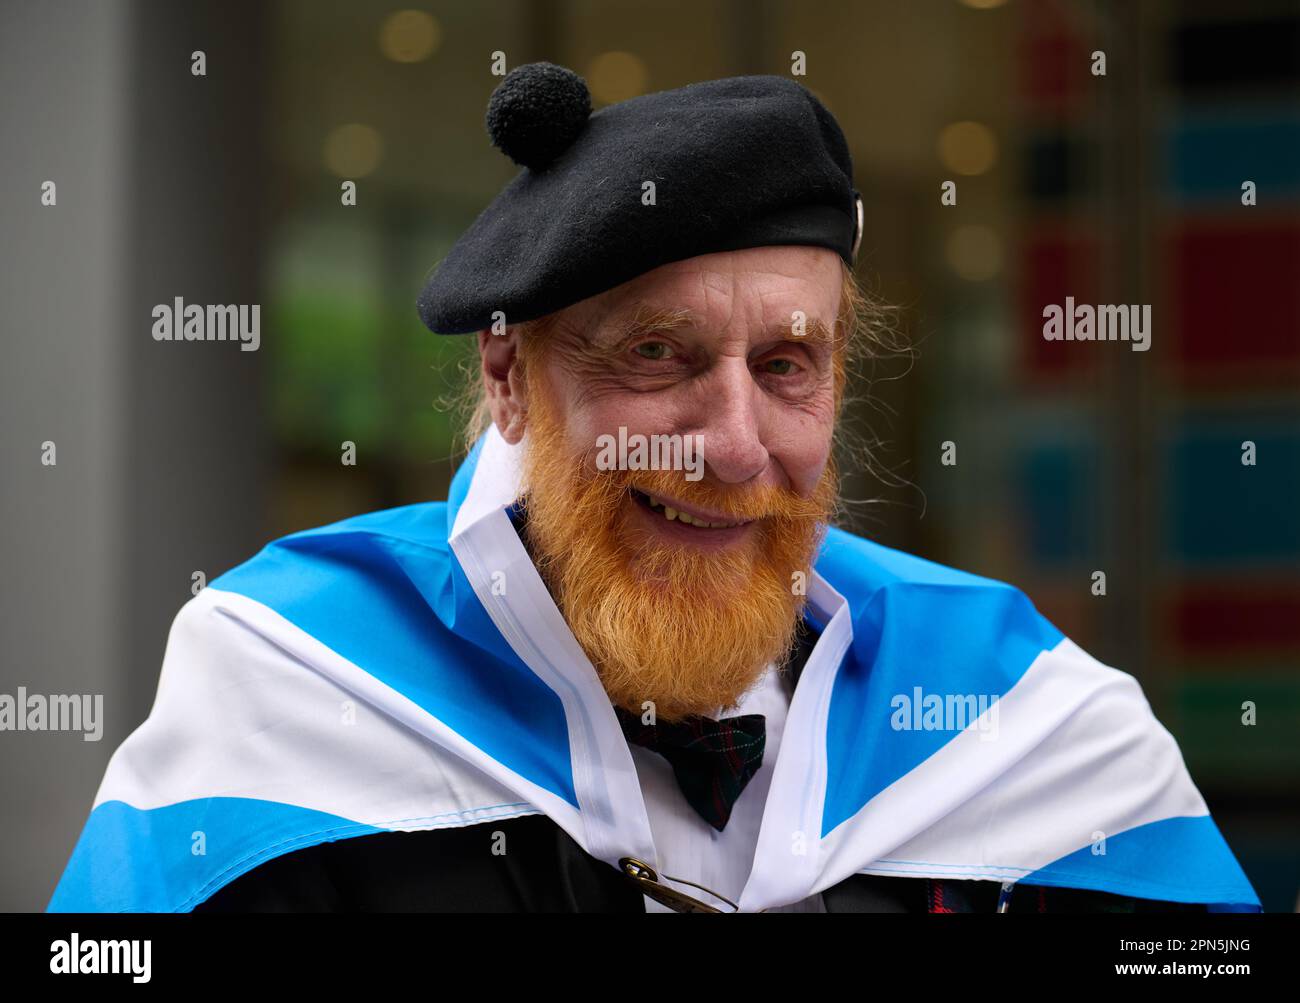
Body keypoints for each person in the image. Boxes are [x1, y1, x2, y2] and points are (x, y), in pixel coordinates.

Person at [49, 63, 1258, 914]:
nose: (733, 448)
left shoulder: (1025, 716)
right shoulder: (292, 679)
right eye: (655, 357)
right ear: (510, 376)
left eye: (787, 365)